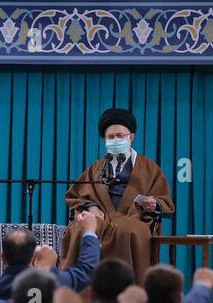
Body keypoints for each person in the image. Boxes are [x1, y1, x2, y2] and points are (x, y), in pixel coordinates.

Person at [59, 108, 173, 278]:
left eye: (120, 136)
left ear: (131, 137)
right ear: (104, 140)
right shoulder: (96, 168)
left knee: (126, 229)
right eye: (110, 137)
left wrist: (153, 203)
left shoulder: (150, 168)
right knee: (79, 229)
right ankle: (82, 293)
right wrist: (90, 207)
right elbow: (75, 195)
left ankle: (128, 293)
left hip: (134, 218)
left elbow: (166, 203)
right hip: (101, 218)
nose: (115, 140)